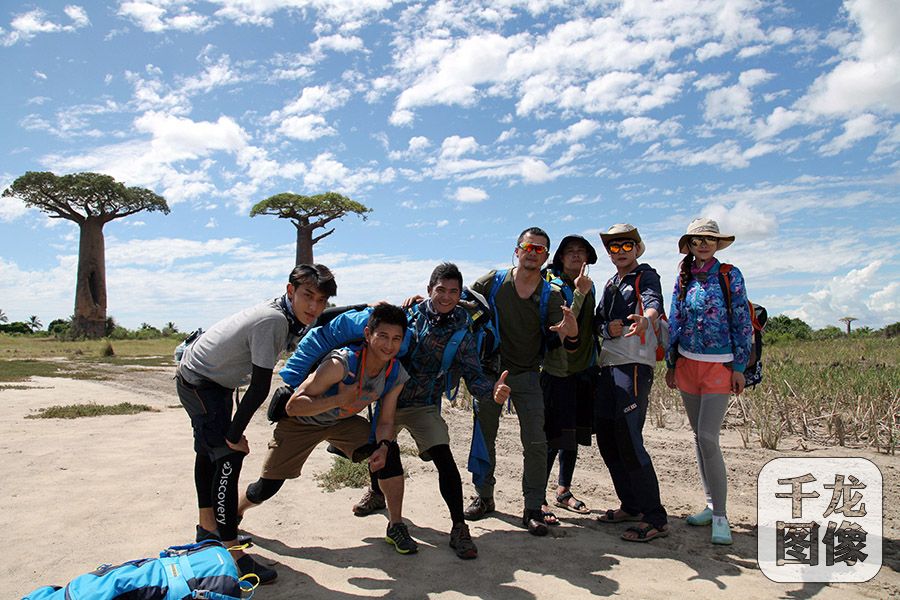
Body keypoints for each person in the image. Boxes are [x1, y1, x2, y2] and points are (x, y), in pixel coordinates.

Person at [175, 264, 337, 583]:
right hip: (200, 381)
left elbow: (328, 316)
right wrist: (235, 436)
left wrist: (366, 307)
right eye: (308, 296)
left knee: (209, 451)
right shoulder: (274, 320)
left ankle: (206, 532)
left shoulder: (285, 311)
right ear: (290, 291)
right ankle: (230, 551)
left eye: (321, 301)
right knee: (227, 456)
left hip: (208, 379)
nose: (314, 307)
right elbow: (260, 387)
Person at [351, 263, 510, 559]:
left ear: (460, 293)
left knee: (444, 457)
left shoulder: (463, 331)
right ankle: (376, 493)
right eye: (440, 290)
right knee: (379, 449)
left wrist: (492, 392)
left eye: (453, 291)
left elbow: (474, 376)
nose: (446, 297)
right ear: (429, 290)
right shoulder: (410, 315)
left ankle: (459, 527)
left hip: (423, 404)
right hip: (388, 398)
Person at [238, 304, 418, 554]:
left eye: (396, 338)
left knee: (390, 453)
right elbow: (293, 406)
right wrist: (338, 400)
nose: (389, 345)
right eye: (383, 336)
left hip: (341, 423)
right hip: (302, 424)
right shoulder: (341, 363)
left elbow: (386, 421)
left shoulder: (394, 371)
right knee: (265, 488)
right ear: (368, 334)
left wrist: (385, 446)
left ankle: (396, 525)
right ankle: (234, 514)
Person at [463, 226, 578, 536]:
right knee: (484, 437)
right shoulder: (492, 282)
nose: (532, 252)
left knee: (536, 444)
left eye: (539, 249)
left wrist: (571, 332)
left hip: (528, 375)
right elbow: (459, 302)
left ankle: (533, 507)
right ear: (517, 249)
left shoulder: (551, 295)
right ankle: (484, 497)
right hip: (491, 374)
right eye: (528, 246)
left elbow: (565, 338)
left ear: (545, 256)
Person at [665, 218, 753, 546]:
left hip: (720, 367)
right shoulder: (684, 278)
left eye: (709, 239)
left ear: (717, 245)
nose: (703, 244)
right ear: (688, 245)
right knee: (698, 439)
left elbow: (742, 320)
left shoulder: (730, 275)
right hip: (687, 365)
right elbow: (676, 318)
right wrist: (672, 363)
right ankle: (710, 504)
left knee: (708, 437)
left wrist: (740, 366)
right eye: (697, 239)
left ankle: (721, 517)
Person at [592, 224, 669, 542]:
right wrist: (606, 328)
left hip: (633, 367)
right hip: (608, 367)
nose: (620, 252)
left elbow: (653, 301)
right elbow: (597, 320)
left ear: (637, 248)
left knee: (630, 438)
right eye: (614, 248)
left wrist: (647, 318)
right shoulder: (610, 283)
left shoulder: (645, 275)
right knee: (608, 439)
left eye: (626, 246)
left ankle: (655, 518)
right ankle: (631, 504)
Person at [541, 235, 599, 517]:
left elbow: (589, 324)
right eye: (570, 252)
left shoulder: (589, 286)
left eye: (581, 252)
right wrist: (580, 293)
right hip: (557, 370)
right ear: (561, 258)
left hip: (584, 370)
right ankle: (537, 494)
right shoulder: (551, 286)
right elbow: (565, 324)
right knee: (553, 436)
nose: (576, 256)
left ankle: (563, 490)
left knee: (573, 435)